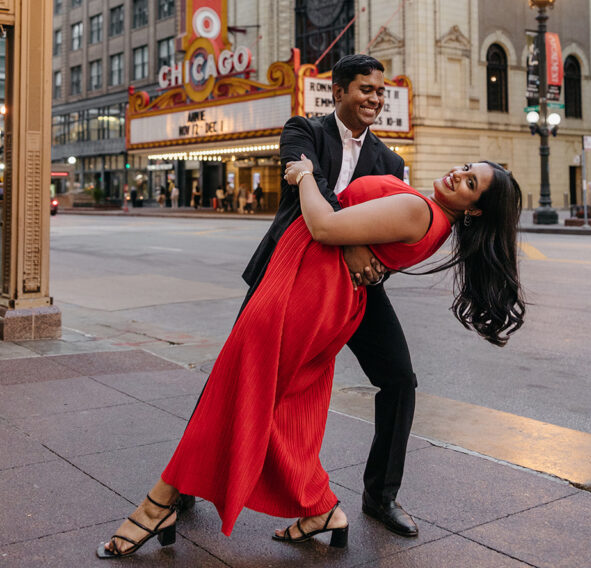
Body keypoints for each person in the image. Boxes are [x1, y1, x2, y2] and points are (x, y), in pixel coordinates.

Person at [97, 157, 524, 558]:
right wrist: (353, 242)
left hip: (307, 293)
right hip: (318, 290)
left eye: (470, 183)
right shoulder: (431, 216)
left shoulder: (421, 214)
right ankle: (319, 508)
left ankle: (157, 505)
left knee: (238, 395)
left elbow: (323, 226)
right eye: (467, 168)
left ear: (475, 211)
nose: (458, 175)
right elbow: (355, 234)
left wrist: (303, 175)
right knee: (285, 407)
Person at [241, 53, 415, 536]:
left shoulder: (391, 161)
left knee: (400, 379)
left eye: (380, 91)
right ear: (337, 92)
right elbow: (310, 187)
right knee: (238, 377)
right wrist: (355, 242)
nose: (375, 99)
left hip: (354, 286)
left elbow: (396, 231)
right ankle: (186, 487)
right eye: (365, 89)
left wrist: (369, 258)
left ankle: (381, 498)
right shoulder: (302, 132)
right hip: (286, 276)